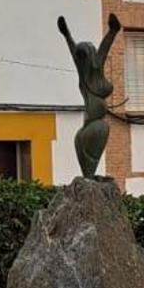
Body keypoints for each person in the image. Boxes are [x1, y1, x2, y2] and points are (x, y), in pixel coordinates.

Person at [57, 11, 122, 180]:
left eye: (82, 56)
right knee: (101, 129)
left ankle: (90, 176)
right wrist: (67, 35)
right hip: (90, 129)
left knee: (101, 129)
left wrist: (112, 31)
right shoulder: (86, 74)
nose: (80, 60)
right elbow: (77, 52)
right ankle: (89, 176)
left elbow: (103, 49)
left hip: (90, 128)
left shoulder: (94, 70)